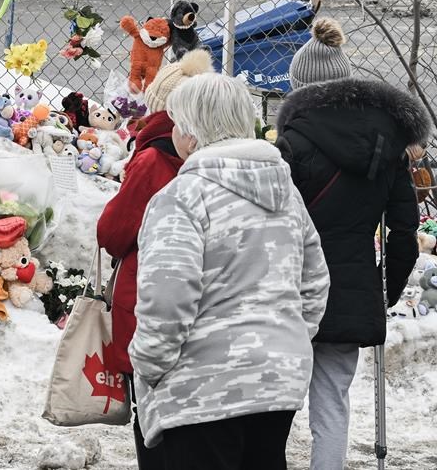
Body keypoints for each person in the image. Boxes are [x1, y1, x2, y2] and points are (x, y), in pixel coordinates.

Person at [130, 72, 330, 470]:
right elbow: (315, 282)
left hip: (201, 388)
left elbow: (168, 297)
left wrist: (149, 365)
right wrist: (285, 339)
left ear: (191, 132)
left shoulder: (183, 197)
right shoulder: (286, 193)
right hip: (277, 380)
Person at [275, 19, 429, 470]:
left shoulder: (291, 144)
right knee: (332, 402)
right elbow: (404, 230)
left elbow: (272, 222)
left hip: (291, 290)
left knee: (278, 400)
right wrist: (388, 291)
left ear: (299, 88)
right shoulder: (388, 147)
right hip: (352, 290)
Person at [97, 49, 211, 469]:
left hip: (147, 300)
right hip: (205, 311)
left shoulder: (152, 158)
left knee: (152, 423)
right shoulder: (216, 157)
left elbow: (112, 234)